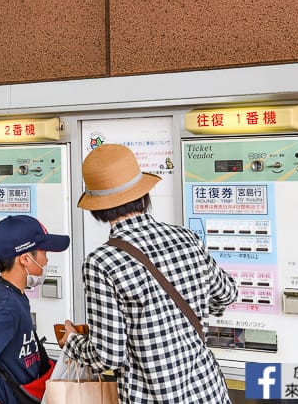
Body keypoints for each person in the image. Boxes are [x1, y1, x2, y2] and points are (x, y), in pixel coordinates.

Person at [58, 144, 238, 403]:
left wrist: (73, 342)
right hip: (207, 392)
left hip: (152, 396)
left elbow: (109, 355)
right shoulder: (186, 238)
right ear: (144, 195)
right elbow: (227, 293)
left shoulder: (102, 262)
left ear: (97, 208)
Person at [0, 215, 71, 404]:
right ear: (25, 259)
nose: (47, 259)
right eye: (44, 252)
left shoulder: (10, 294)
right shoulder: (7, 306)